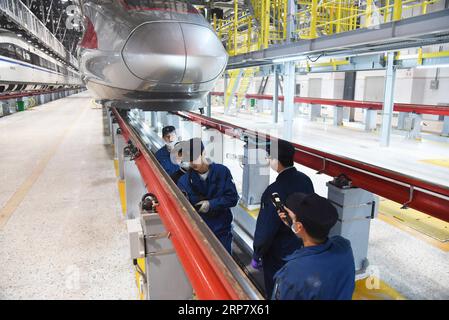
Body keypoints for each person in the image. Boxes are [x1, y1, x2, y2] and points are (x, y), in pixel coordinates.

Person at [252, 139, 315, 298]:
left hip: (279, 253)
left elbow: (266, 228)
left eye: (269, 157)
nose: (268, 160)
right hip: (302, 247)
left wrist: (257, 253)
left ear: (276, 161)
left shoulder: (274, 191)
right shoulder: (305, 180)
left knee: (276, 289)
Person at [272, 192, 355, 300]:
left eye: (292, 216)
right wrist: (295, 227)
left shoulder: (292, 273)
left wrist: (296, 229)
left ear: (299, 226)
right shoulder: (344, 246)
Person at [177, 138, 239, 254]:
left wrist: (211, 204)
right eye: (189, 160)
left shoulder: (222, 171)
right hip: (199, 233)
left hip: (222, 232)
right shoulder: (184, 181)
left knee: (225, 263)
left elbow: (233, 199)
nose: (193, 163)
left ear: (204, 153)